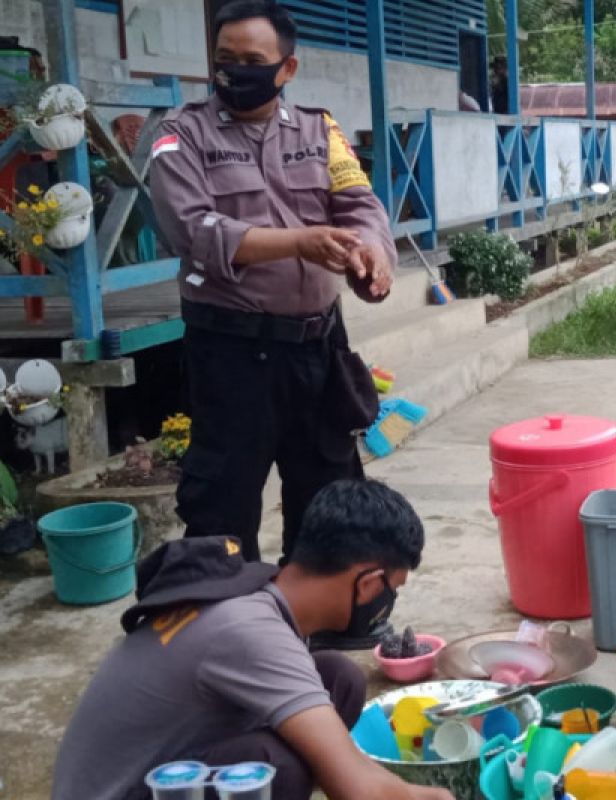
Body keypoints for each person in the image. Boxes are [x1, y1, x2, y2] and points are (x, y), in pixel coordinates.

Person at [149, 1, 395, 582]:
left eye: (253, 61)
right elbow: (193, 229)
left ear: (287, 68)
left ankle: (327, 619)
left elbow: (358, 203)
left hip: (318, 347)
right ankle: (227, 629)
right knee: (222, 502)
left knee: (329, 493)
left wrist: (372, 254)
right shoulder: (180, 135)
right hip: (232, 351)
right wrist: (299, 243)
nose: (235, 72)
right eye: (224, 60)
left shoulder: (319, 130)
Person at [52, 480, 452, 800]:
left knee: (337, 678)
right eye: (392, 588)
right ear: (368, 583)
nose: (387, 603)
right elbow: (361, 791)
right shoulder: (248, 631)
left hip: (157, 767)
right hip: (121, 791)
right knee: (272, 769)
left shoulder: (260, 589)